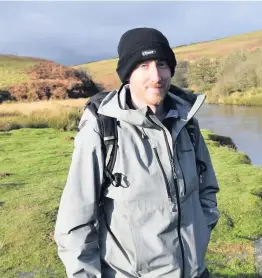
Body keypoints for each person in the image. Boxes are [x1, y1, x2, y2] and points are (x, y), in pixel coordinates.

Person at [54, 27, 220, 278]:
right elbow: (74, 223)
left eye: (162, 64)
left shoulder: (188, 125)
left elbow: (207, 191)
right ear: (127, 74)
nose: (156, 75)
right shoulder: (101, 131)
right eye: (143, 65)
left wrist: (202, 234)